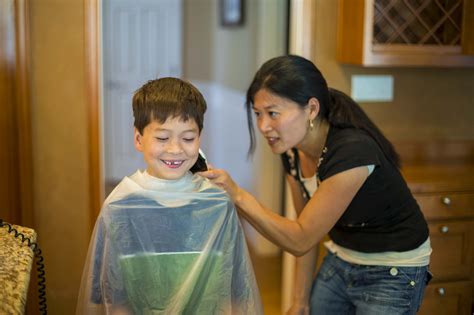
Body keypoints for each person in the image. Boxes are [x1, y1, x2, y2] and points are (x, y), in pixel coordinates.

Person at [199, 55, 432, 315]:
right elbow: (305, 229)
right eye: (258, 114)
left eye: (273, 113)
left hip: (393, 268)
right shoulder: (292, 152)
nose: (264, 126)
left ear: (311, 109)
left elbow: (299, 238)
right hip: (343, 256)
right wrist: (300, 301)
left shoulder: (352, 153)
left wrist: (238, 195)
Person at [76, 77, 263, 315]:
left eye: (188, 138)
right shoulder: (120, 208)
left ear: (199, 140)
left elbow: (235, 290)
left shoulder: (215, 204)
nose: (175, 149)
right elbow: (112, 294)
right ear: (138, 139)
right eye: (162, 138)